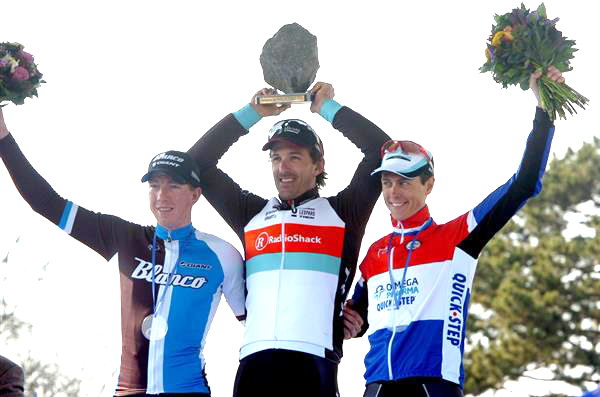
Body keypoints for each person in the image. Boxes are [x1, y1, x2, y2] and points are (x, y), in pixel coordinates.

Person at [344, 67, 565, 397]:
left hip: (433, 386)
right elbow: (354, 319)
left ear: (429, 185)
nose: (394, 193)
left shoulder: (458, 237)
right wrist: (348, 324)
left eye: (404, 182)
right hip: (375, 387)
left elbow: (523, 184)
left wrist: (544, 109)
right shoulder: (376, 253)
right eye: (387, 183)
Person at [0, 108, 245, 397]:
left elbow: (254, 326)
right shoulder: (125, 238)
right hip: (127, 392)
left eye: (173, 186)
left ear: (195, 194)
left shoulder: (222, 254)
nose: (161, 196)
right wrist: (4, 138)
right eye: (154, 186)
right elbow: (46, 203)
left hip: (188, 389)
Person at [187, 82, 390, 397]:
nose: (283, 167)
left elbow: (381, 149)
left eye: (295, 157)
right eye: (276, 158)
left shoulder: (343, 213)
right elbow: (194, 165)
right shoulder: (250, 213)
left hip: (314, 363)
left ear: (318, 165)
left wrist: (327, 108)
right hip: (253, 364)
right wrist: (251, 114)